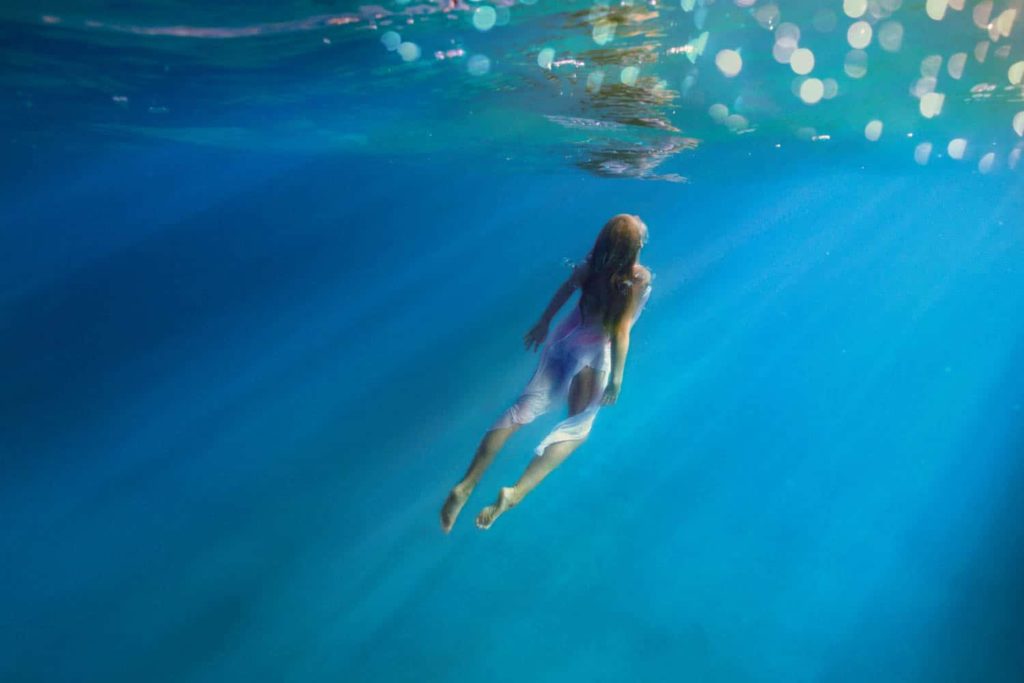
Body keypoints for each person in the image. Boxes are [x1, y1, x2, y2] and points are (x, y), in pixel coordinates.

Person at [440, 214, 653, 532]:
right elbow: (621, 330)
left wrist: (543, 322)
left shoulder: (590, 266)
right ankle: (515, 493)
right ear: (634, 247)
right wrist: (617, 377)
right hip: (594, 354)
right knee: (579, 428)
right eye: (635, 223)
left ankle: (467, 484)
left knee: (521, 410)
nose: (637, 216)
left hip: (564, 340)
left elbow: (566, 290)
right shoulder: (638, 278)